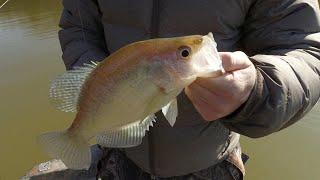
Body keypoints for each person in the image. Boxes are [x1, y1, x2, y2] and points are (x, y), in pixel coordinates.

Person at [55, 0, 320, 179]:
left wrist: (258, 91)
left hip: (210, 164)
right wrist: (101, 87)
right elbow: (78, 30)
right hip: (121, 159)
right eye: (185, 53)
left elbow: (307, 51)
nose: (196, 50)